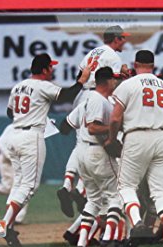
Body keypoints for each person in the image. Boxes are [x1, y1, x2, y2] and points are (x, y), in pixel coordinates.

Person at [0, 53, 92, 247]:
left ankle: (7, 224)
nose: (52, 70)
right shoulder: (42, 85)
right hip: (30, 137)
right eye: (50, 67)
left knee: (19, 184)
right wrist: (81, 80)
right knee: (29, 186)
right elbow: (66, 95)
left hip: (14, 134)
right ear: (43, 70)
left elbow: (10, 112)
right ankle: (6, 224)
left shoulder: (18, 86)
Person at [106, 50, 163, 247]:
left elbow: (114, 118)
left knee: (126, 186)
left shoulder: (128, 84)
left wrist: (112, 138)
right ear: (153, 65)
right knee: (161, 190)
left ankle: (138, 222)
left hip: (137, 135)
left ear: (135, 64)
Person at [57, 25, 131, 215]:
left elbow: (80, 76)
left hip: (83, 95)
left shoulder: (93, 52)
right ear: (115, 39)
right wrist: (124, 73)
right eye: (122, 38)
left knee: (81, 143)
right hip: (99, 96)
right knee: (100, 141)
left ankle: (67, 186)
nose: (125, 41)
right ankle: (80, 190)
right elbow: (113, 81)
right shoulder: (113, 56)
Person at [71, 67, 124, 247]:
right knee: (117, 196)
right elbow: (93, 128)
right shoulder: (97, 99)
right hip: (96, 151)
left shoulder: (94, 99)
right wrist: (114, 128)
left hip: (84, 153)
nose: (115, 82)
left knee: (93, 199)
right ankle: (109, 237)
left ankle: (82, 242)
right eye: (114, 79)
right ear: (107, 81)